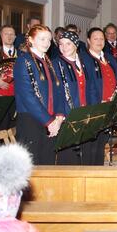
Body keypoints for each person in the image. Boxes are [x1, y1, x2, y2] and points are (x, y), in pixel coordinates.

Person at [13, 25, 65, 164]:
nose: (47, 43)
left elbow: (58, 91)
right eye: (42, 39)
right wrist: (48, 121)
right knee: (32, 167)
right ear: (31, 40)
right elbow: (28, 96)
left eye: (49, 39)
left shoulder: (49, 62)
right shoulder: (23, 61)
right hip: (31, 120)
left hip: (51, 120)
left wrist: (59, 117)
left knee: (47, 163)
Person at [52, 31, 96, 165]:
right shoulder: (56, 63)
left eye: (68, 44)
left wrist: (93, 110)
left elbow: (92, 87)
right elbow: (56, 92)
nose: (64, 47)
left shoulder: (84, 61)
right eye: (61, 44)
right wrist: (61, 115)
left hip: (85, 113)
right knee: (68, 156)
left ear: (76, 45)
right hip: (68, 114)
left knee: (86, 153)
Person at [82, 27, 117, 165]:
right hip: (94, 109)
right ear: (88, 41)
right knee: (91, 146)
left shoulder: (109, 58)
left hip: (109, 108)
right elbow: (87, 86)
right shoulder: (84, 59)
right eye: (95, 38)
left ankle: (98, 172)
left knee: (101, 144)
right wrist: (98, 104)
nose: (99, 41)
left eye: (101, 38)